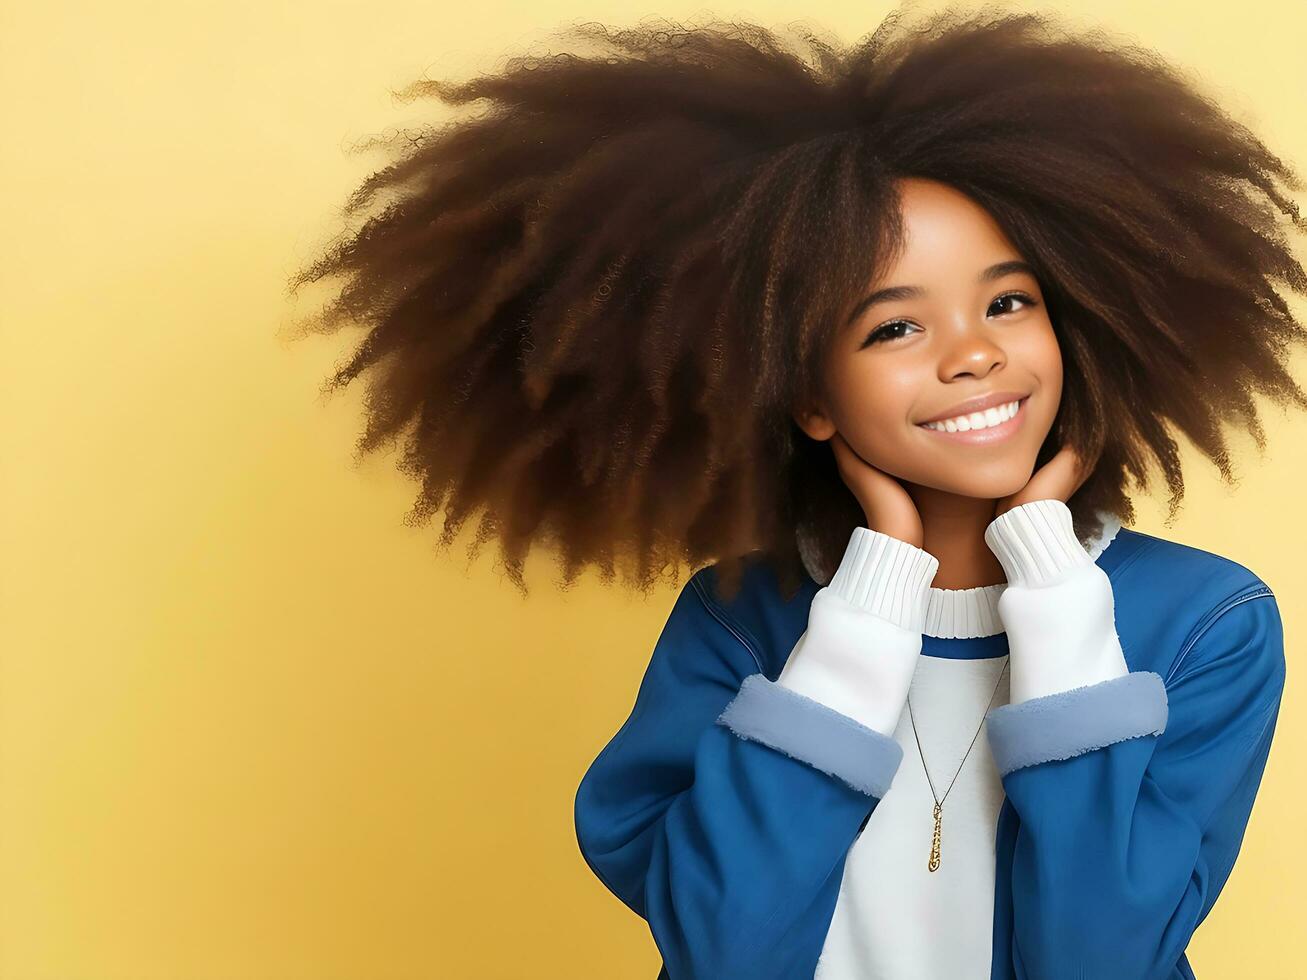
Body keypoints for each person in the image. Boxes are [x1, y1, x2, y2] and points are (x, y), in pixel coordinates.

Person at [287, 8, 1305, 978]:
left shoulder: (1202, 624)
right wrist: (867, 609)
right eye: (893, 326)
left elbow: (1103, 955)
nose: (974, 355)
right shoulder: (742, 622)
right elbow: (718, 949)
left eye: (1006, 301)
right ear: (809, 397)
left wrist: (1047, 588)